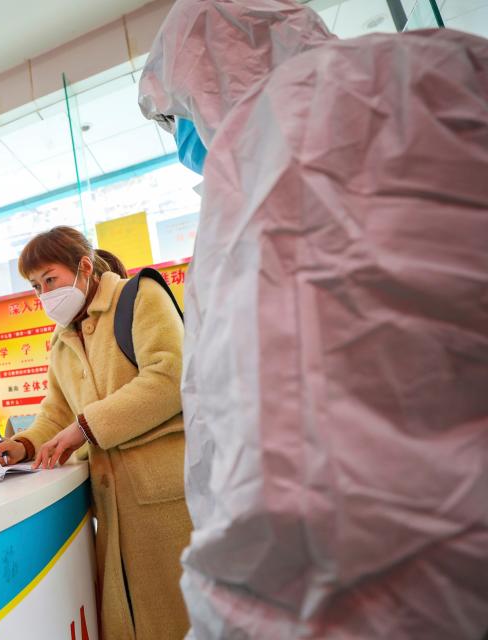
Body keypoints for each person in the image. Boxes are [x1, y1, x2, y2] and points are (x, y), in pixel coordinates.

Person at [139, 1, 488, 637]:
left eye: (175, 115)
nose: (183, 137)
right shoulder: (447, 66)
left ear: (202, 71)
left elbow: (258, 437)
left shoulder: (255, 173)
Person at [0, 226, 190, 639]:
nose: (43, 294)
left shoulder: (139, 295)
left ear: (83, 266)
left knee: (184, 613)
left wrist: (86, 426)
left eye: (50, 279)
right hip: (112, 502)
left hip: (167, 495)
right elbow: (56, 412)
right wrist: (23, 444)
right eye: (35, 286)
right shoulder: (62, 340)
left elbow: (172, 376)